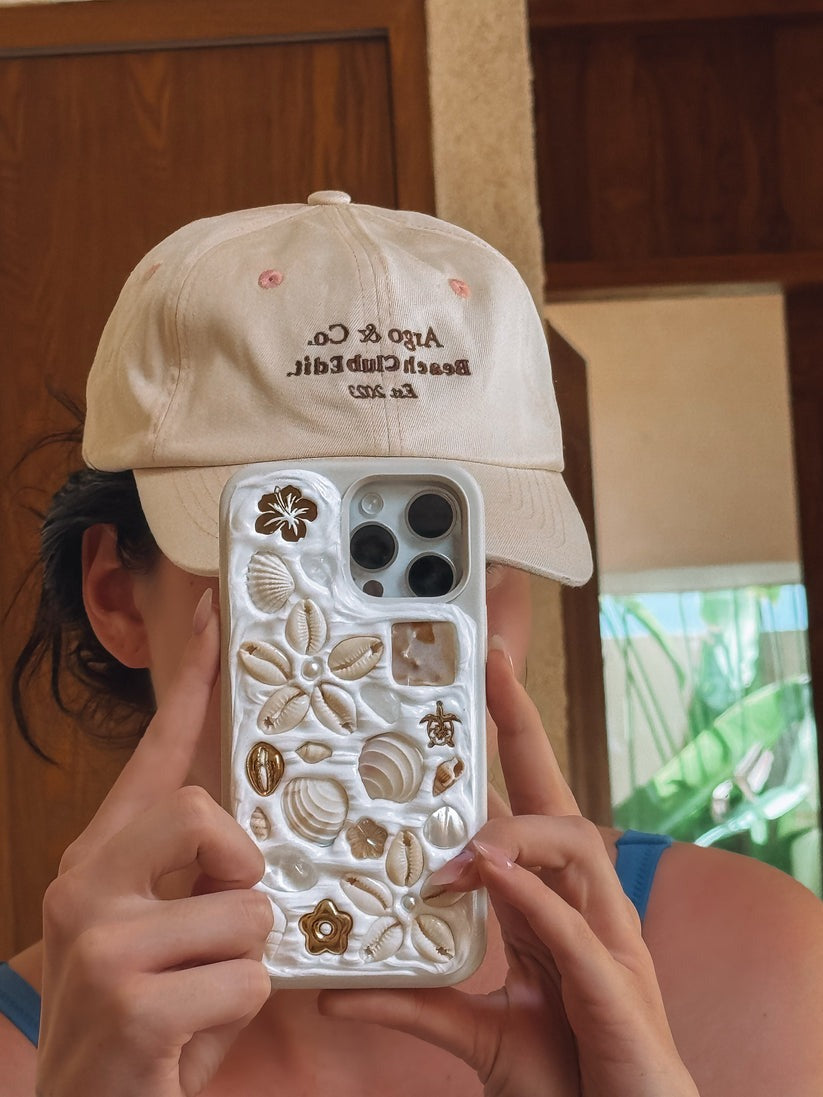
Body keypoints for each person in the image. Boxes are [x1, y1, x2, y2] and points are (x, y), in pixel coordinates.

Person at [2, 191, 823, 1097]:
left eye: (460, 562)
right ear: (117, 596)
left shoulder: (768, 964)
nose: (394, 648)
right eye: (295, 561)